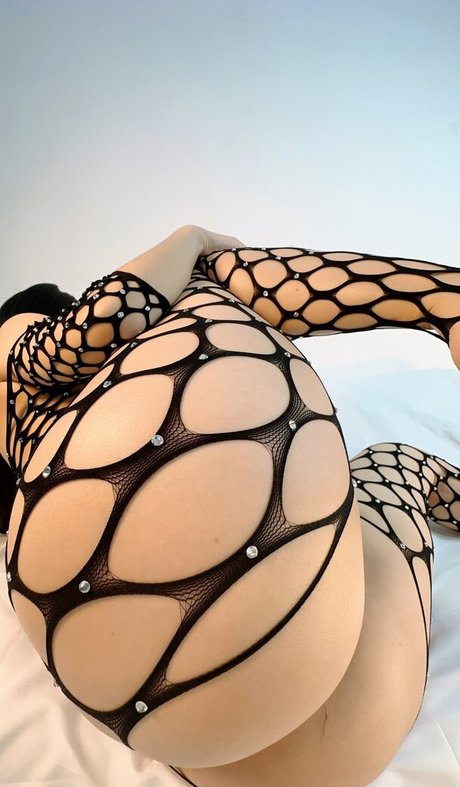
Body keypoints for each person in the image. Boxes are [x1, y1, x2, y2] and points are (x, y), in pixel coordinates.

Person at [1, 224, 459, 787]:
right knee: (198, 282)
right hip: (316, 691)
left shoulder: (29, 467)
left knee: (388, 467)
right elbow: (112, 313)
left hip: (230, 747)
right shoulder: (19, 357)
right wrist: (191, 239)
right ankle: (442, 300)